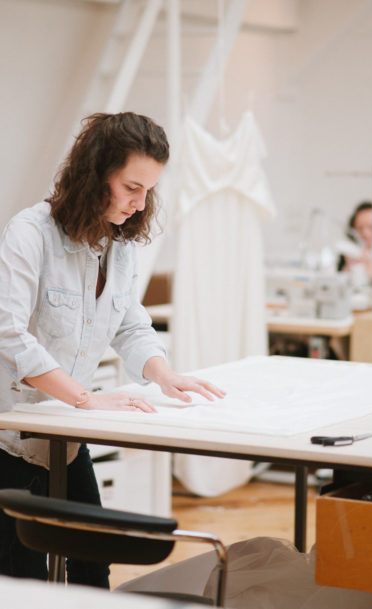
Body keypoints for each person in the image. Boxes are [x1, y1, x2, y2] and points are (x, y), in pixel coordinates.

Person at [0, 112, 225, 586]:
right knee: (21, 578)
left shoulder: (118, 246)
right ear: (95, 174)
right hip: (11, 441)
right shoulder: (30, 233)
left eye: (148, 192)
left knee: (91, 565)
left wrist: (163, 372)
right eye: (131, 188)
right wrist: (86, 398)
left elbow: (128, 321)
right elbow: (8, 334)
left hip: (65, 438)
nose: (140, 204)